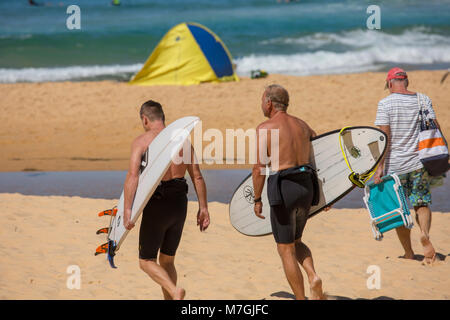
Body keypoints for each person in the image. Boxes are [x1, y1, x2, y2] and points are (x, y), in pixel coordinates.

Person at [123, 100, 210, 300]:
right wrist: (203, 208)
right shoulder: (183, 140)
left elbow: (133, 176)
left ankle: (174, 291)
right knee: (168, 260)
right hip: (180, 202)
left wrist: (128, 210)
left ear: (145, 119)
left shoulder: (142, 142)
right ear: (162, 117)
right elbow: (197, 176)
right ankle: (172, 297)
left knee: (146, 260)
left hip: (158, 202)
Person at [252, 84, 325, 300]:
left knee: (285, 249)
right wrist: (324, 194)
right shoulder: (304, 126)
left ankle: (301, 298)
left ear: (269, 103)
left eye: (262, 100)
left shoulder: (265, 128)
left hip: (284, 188)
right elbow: (318, 159)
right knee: (297, 240)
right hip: (306, 186)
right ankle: (312, 276)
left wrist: (257, 199)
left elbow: (259, 168)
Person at [373, 67, 444, 264]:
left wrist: (379, 168)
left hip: (394, 168)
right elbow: (435, 127)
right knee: (421, 203)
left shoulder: (385, 104)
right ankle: (424, 233)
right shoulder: (423, 99)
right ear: (407, 82)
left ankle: (409, 253)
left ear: (389, 83)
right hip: (418, 163)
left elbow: (384, 138)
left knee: (399, 210)